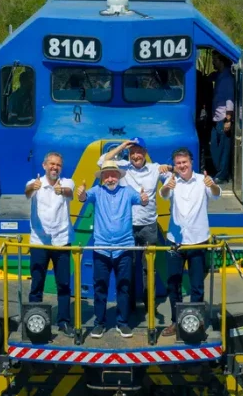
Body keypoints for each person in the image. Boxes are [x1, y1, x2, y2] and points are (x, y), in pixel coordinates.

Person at [98, 137, 171, 316]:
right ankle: (128, 306)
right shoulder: (123, 167)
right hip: (127, 227)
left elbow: (172, 180)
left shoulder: (155, 169)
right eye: (132, 152)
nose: (135, 155)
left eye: (139, 151)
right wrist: (122, 146)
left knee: (149, 268)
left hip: (148, 226)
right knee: (127, 267)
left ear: (145, 153)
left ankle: (149, 306)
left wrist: (168, 169)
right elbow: (102, 162)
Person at [77, 160, 150, 339]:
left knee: (124, 287)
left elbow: (142, 202)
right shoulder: (97, 191)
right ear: (102, 177)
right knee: (100, 287)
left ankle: (122, 323)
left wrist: (144, 199)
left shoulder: (128, 191)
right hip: (101, 247)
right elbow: (83, 197)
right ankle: (99, 324)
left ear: (118, 176)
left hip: (124, 247)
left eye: (113, 174)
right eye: (106, 175)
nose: (110, 178)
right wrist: (80, 194)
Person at [158, 147, 221, 336]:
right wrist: (168, 184)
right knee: (173, 283)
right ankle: (176, 322)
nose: (182, 166)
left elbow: (216, 194)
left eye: (184, 162)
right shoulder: (171, 181)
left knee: (196, 285)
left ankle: (197, 322)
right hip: (176, 242)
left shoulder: (204, 181)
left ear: (191, 162)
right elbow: (163, 194)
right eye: (178, 163)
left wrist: (212, 185)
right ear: (175, 166)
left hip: (198, 240)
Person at [25, 151, 75, 337]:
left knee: (63, 284)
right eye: (52, 164)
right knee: (37, 284)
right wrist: (33, 188)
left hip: (61, 241)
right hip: (39, 242)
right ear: (44, 166)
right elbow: (27, 192)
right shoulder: (34, 183)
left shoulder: (67, 183)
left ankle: (63, 321)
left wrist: (62, 190)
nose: (55, 167)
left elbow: (70, 192)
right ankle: (34, 322)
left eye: (58, 165)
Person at [209, 53, 235, 183]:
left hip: (223, 118)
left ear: (221, 61)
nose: (213, 62)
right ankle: (219, 171)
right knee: (214, 147)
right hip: (216, 118)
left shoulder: (227, 79)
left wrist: (228, 120)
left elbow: (230, 99)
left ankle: (222, 175)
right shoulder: (220, 76)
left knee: (224, 149)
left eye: (214, 60)